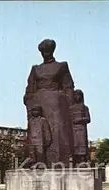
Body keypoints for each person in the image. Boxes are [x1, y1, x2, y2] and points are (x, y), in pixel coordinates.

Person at [23, 39, 75, 167]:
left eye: (48, 51)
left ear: (52, 50)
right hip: (38, 103)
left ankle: (58, 161)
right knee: (38, 131)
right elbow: (30, 88)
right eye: (43, 51)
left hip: (57, 104)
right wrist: (29, 101)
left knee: (58, 131)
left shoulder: (62, 66)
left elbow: (68, 87)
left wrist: (68, 105)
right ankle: (38, 160)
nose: (45, 53)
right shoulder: (35, 69)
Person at [70, 89, 91, 165]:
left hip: (82, 129)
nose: (77, 97)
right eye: (75, 95)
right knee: (75, 144)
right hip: (73, 129)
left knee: (82, 144)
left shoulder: (85, 108)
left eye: (78, 95)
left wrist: (80, 120)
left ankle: (83, 160)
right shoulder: (71, 108)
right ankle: (75, 161)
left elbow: (88, 119)